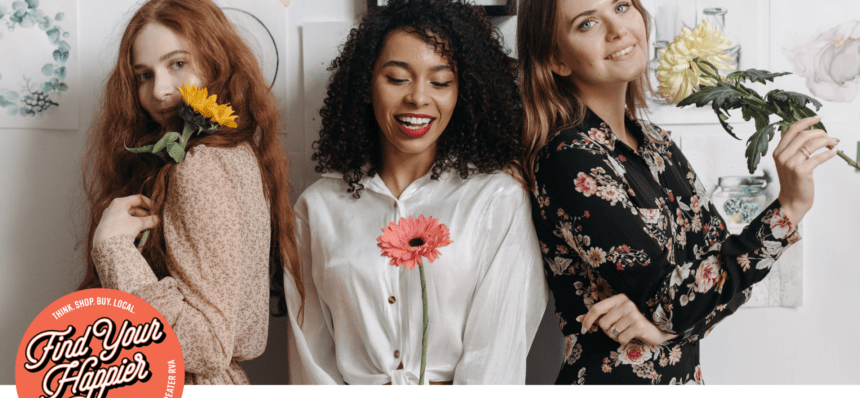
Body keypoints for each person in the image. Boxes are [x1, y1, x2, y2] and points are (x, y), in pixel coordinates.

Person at [517, 0, 839, 384]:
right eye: (587, 24)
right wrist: (790, 206)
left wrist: (667, 330)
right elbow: (687, 298)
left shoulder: (655, 142)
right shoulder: (569, 158)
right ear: (557, 59)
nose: (617, 30)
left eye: (621, 6)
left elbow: (724, 278)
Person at [285, 0, 548, 385]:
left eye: (440, 82)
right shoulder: (315, 208)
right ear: (365, 85)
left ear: (463, 93)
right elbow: (311, 355)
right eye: (396, 78)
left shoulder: (496, 199)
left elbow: (498, 351)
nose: (418, 98)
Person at [77, 0, 303, 385]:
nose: (160, 90)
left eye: (177, 64)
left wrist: (113, 248)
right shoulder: (237, 153)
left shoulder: (197, 166)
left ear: (216, 62)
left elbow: (208, 346)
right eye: (144, 75)